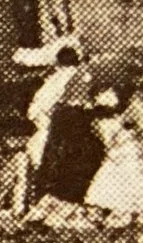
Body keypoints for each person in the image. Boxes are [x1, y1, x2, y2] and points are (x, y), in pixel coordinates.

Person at [26, 46, 101, 207]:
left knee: (57, 158)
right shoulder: (84, 76)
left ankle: (53, 196)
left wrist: (44, 122)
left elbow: (36, 109)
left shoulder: (57, 79)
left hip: (62, 120)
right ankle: (73, 195)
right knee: (78, 156)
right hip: (77, 121)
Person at [84, 90, 143, 220]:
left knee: (134, 173)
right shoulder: (104, 124)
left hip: (130, 149)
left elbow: (142, 130)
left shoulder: (127, 111)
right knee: (116, 177)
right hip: (120, 151)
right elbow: (109, 141)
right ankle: (116, 210)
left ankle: (136, 210)